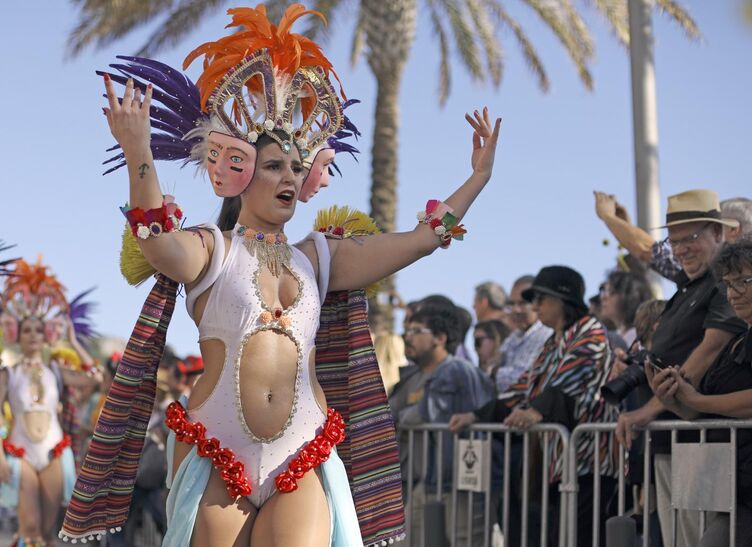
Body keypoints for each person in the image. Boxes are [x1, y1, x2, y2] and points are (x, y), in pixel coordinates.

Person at [59, 5, 502, 546]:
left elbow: (422, 239)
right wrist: (138, 153)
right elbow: (157, 245)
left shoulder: (318, 256)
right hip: (216, 451)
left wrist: (476, 180)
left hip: (302, 450)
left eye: (297, 167)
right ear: (238, 171)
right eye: (274, 166)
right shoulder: (211, 249)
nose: (289, 176)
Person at [614, 190, 748, 547]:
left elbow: (711, 347)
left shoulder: (725, 284)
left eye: (691, 237)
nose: (681, 248)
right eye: (674, 240)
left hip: (702, 440)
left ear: (718, 234)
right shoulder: (689, 287)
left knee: (694, 539)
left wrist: (648, 409)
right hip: (675, 439)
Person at [450, 265, 617, 547]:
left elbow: (568, 380)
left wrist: (536, 411)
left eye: (541, 299)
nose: (534, 306)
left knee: (582, 537)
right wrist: (476, 415)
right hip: (561, 463)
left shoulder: (591, 334)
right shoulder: (554, 341)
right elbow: (525, 387)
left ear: (563, 301)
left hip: (592, 463)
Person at [648, 234, 752, 547]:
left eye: (743, 281)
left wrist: (697, 399)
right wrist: (671, 398)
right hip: (744, 485)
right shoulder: (740, 339)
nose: (733, 293)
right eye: (727, 284)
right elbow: (702, 412)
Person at [0, 258, 100, 547]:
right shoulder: (8, 373)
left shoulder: (56, 371)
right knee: (29, 527)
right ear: (17, 335)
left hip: (54, 452)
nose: (33, 335)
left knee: (47, 532)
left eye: (38, 331)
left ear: (47, 337)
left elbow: (95, 378)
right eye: (27, 330)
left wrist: (75, 343)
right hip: (21, 452)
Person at [398, 306, 494, 545]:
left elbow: (426, 413)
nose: (407, 336)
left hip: (456, 483)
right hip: (439, 481)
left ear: (440, 339)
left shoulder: (451, 370)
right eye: (407, 330)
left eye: (416, 330)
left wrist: (401, 415)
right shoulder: (455, 370)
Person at [594, 191, 752, 281]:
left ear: (733, 230)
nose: (681, 250)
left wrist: (608, 217)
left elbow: (648, 250)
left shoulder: (719, 270)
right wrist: (625, 227)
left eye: (714, 225)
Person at [494, 275, 553, 394]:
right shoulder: (514, 337)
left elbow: (524, 381)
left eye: (522, 303)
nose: (516, 310)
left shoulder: (547, 336)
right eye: (512, 304)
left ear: (538, 303)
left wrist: (496, 372)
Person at [600, 271, 652, 347]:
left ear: (630, 297)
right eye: (604, 292)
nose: (603, 297)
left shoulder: (638, 340)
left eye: (610, 291)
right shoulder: (615, 334)